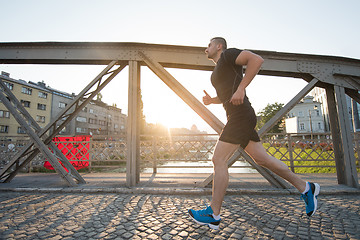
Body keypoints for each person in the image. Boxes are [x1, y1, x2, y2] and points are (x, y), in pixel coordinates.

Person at [188, 37, 320, 230]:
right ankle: (306, 188)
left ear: (218, 46)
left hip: (240, 117)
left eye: (208, 45)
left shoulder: (228, 54)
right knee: (262, 159)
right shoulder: (220, 67)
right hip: (240, 116)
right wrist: (212, 101)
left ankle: (213, 213)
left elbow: (257, 60)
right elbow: (228, 94)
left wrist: (242, 88)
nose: (205, 48)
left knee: (218, 160)